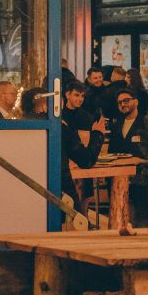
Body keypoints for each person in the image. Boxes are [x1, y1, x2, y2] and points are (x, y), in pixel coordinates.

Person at [59, 82, 107, 212]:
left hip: (82, 161)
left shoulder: (87, 116)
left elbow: (90, 143)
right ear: (67, 95)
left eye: (82, 96)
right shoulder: (59, 116)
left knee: (83, 199)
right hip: (68, 166)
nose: (80, 99)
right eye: (76, 95)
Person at [107, 87, 145, 154]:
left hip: (139, 163)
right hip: (119, 163)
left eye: (126, 100)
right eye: (119, 102)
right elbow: (111, 151)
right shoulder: (116, 125)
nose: (122, 104)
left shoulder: (147, 123)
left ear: (136, 102)